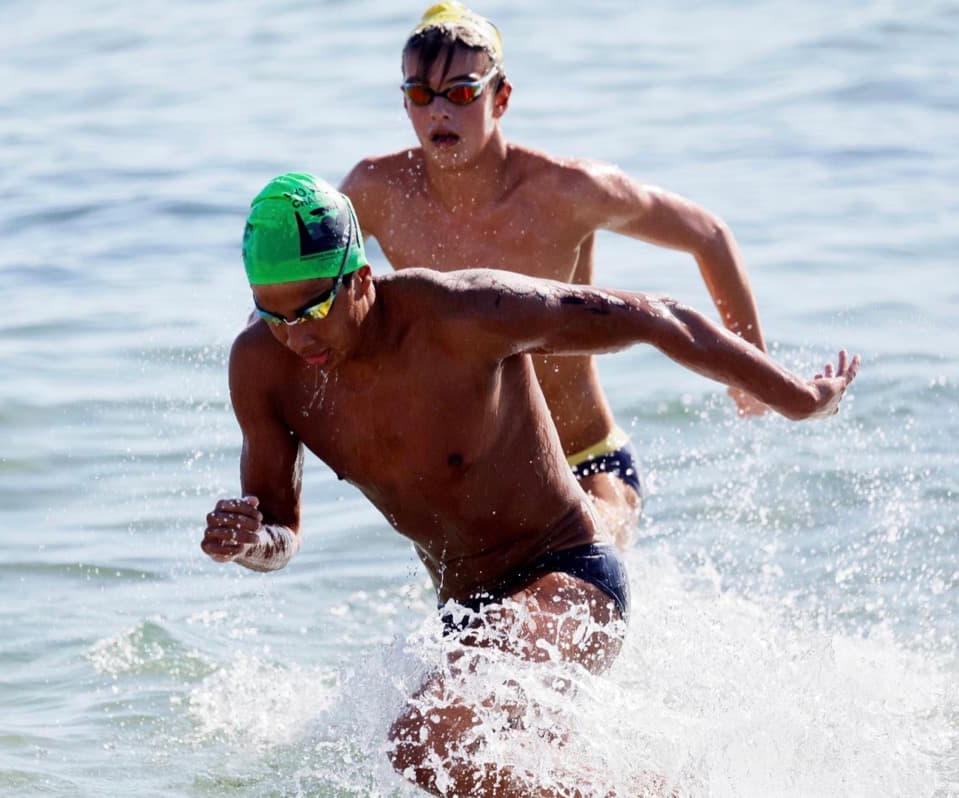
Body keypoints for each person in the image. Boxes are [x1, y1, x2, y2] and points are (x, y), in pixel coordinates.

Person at [202, 173, 858, 798]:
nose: (297, 336)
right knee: (450, 762)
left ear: (361, 277)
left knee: (422, 741)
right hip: (465, 616)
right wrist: (253, 541)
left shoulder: (466, 314)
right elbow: (282, 529)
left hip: (569, 576)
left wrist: (799, 399)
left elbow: (661, 317)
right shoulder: (262, 367)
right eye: (273, 315)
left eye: (314, 307)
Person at [341, 2, 768, 548]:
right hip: (472, 483)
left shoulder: (567, 191)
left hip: (587, 461)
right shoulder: (378, 193)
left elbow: (707, 233)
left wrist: (749, 370)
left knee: (584, 553)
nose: (439, 112)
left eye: (461, 92)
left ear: (501, 97)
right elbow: (307, 289)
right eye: (421, 95)